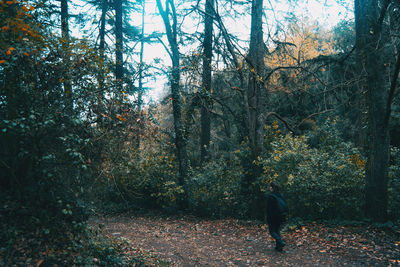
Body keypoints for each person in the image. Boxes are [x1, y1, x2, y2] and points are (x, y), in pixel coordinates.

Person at [267, 181, 286, 252]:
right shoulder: (281, 195)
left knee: (272, 231)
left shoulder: (271, 196)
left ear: (271, 188)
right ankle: (279, 247)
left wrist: (268, 218)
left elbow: (269, 209)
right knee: (277, 230)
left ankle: (280, 242)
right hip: (281, 215)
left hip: (273, 217)